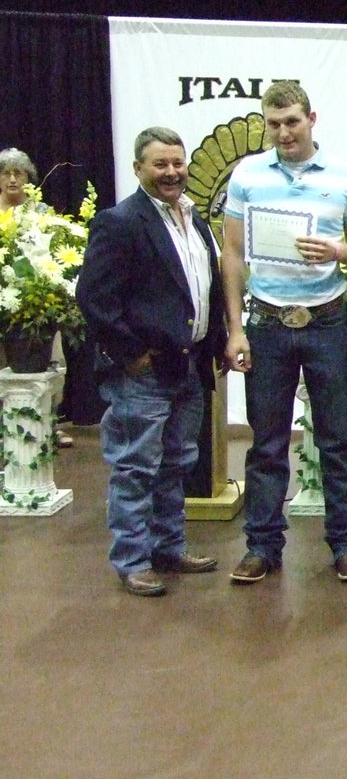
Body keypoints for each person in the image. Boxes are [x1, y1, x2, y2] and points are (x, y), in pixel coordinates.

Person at [222, 81, 347, 584]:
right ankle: (262, 546)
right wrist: (235, 328)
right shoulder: (246, 175)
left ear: (312, 118)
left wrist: (335, 253)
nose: (284, 132)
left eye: (292, 121)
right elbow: (233, 255)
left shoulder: (345, 177)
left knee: (337, 440)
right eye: (274, 123)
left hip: (327, 320)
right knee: (266, 443)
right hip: (265, 323)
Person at [77, 127, 226, 597]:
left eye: (177, 163)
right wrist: (131, 354)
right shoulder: (119, 222)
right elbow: (94, 298)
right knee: (136, 467)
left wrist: (216, 344)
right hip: (143, 371)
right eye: (160, 164)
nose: (172, 172)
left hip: (188, 366)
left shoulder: (193, 218)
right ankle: (132, 559)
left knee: (176, 463)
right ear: (139, 168)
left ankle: (168, 546)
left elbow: (205, 287)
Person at [0, 148, 73, 447]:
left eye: (19, 173)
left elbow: (55, 252)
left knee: (52, 360)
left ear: (29, 178)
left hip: (34, 299)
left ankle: (48, 423)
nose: (13, 179)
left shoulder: (41, 213)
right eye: (6, 172)